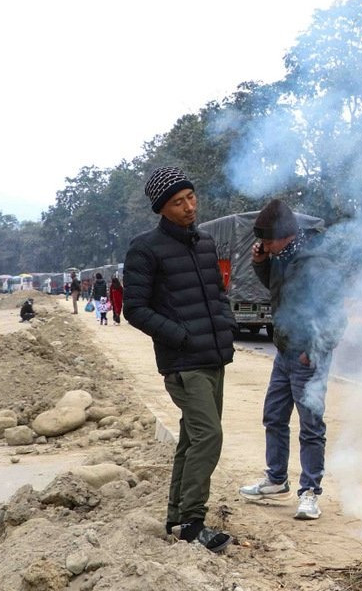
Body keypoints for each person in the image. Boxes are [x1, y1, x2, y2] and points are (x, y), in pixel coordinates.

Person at [123, 166, 237, 552]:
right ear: (161, 209)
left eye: (191, 197)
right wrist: (180, 336)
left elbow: (217, 294)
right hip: (184, 363)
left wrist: (226, 324)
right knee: (209, 436)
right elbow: (135, 308)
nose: (189, 207)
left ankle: (176, 518)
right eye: (177, 202)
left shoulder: (204, 243)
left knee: (191, 439)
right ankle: (193, 522)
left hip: (214, 358)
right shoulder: (145, 248)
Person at [238, 199, 347, 521]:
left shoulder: (316, 263)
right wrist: (261, 263)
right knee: (274, 416)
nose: (263, 246)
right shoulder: (282, 257)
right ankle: (276, 479)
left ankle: (310, 492)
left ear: (286, 235)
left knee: (311, 427)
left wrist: (312, 351)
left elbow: (336, 317)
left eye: (267, 241)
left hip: (306, 356)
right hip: (284, 352)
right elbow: (278, 293)